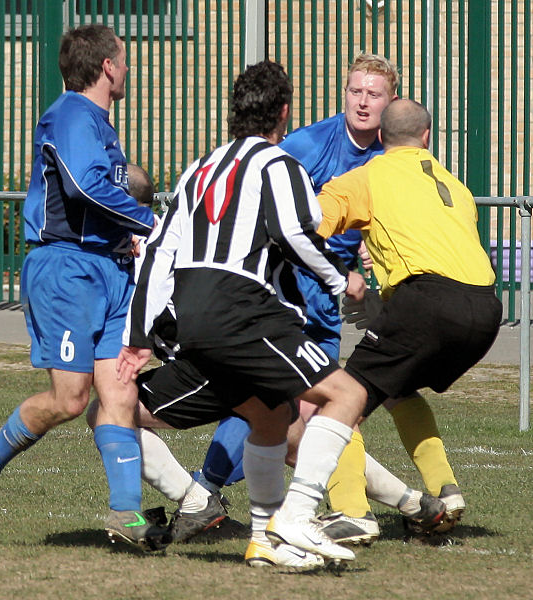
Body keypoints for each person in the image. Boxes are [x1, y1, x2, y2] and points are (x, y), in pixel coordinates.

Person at [194, 53, 464, 543]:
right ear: (344, 93)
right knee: (286, 397)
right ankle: (215, 491)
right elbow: (277, 218)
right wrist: (340, 270)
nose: (362, 102)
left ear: (391, 102)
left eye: (374, 94)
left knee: (329, 397)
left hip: (334, 298)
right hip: (289, 289)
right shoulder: (308, 144)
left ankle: (424, 495)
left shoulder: (394, 155)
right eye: (355, 91)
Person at [117, 60, 370, 568]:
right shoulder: (279, 165)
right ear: (283, 112)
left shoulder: (199, 168)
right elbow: (294, 233)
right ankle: (296, 516)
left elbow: (161, 250)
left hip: (191, 315)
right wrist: (340, 280)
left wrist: (139, 334)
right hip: (242, 308)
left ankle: (262, 541)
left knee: (269, 414)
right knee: (348, 394)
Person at [0, 24, 170, 552]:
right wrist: (150, 223)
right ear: (107, 66)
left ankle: (125, 514)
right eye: (123, 60)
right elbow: (84, 187)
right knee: (71, 399)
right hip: (67, 271)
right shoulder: (72, 114)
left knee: (119, 387)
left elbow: (102, 196)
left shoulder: (102, 124)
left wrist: (127, 238)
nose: (127, 69)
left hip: (109, 270)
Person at [316, 99, 502, 488]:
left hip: (427, 301)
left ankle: (351, 512)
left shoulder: (366, 177)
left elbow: (307, 226)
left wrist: (341, 273)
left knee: (342, 402)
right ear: (427, 136)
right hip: (486, 309)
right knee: (398, 389)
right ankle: (445, 490)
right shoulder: (456, 186)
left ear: (381, 136)